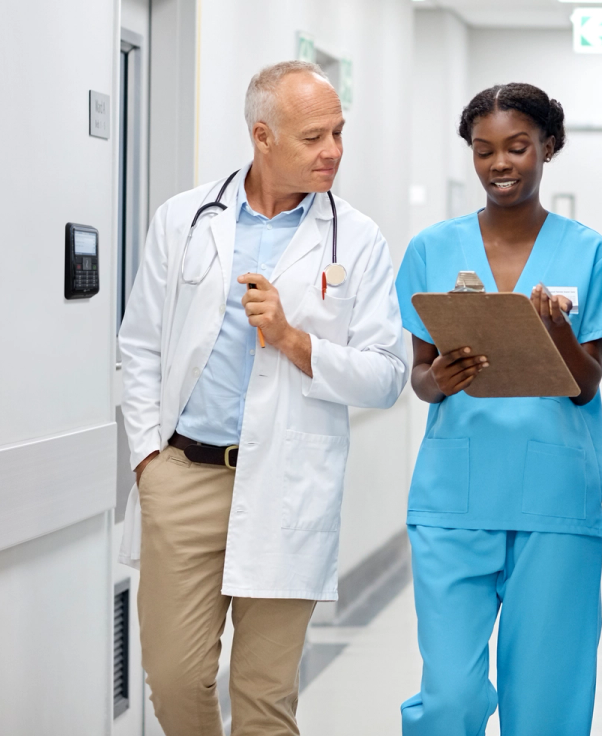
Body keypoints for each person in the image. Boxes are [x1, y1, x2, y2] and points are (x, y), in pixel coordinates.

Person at [118, 60, 408, 736]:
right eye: (313, 137)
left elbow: (387, 374)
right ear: (262, 136)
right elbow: (139, 347)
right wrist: (146, 461)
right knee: (177, 679)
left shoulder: (356, 238)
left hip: (286, 480)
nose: (332, 150)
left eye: (338, 132)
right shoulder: (185, 219)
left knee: (264, 696)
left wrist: (291, 339)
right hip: (184, 477)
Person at [395, 83, 602, 736]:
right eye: (484, 150)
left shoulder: (590, 252)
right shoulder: (432, 249)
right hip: (454, 500)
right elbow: (421, 378)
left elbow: (586, 386)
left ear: (548, 147)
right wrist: (441, 377)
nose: (500, 163)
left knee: (547, 705)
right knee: (452, 697)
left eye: (517, 147)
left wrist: (555, 335)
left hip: (554, 501)